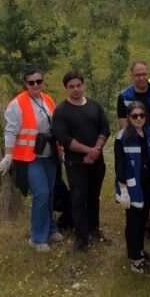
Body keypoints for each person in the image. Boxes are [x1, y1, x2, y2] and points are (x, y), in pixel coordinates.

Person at [0, 68, 60, 252]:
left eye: (39, 81)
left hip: (49, 154)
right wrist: (8, 155)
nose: (36, 85)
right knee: (41, 193)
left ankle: (50, 227)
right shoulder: (17, 104)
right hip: (28, 156)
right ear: (25, 84)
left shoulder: (48, 100)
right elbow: (11, 131)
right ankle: (37, 238)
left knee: (49, 193)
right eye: (31, 82)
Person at [51, 72, 110, 252]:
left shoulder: (94, 106)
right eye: (71, 86)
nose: (76, 89)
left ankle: (94, 230)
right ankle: (81, 238)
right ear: (66, 88)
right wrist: (88, 151)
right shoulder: (61, 111)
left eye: (78, 85)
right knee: (78, 200)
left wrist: (96, 151)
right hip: (76, 164)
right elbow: (63, 138)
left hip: (97, 162)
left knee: (94, 197)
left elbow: (105, 129)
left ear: (83, 85)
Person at [118, 60, 150, 229]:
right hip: (139, 147)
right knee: (142, 183)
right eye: (137, 75)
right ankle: (143, 220)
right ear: (132, 76)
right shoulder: (125, 97)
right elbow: (124, 125)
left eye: (144, 74)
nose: (141, 78)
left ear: (149, 74)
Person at [114, 102, 150, 274]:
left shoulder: (148, 132)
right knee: (133, 223)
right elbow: (120, 166)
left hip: (147, 185)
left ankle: (140, 250)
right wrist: (124, 191)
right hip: (132, 189)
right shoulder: (122, 138)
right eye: (134, 116)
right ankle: (135, 260)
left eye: (142, 115)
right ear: (128, 117)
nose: (139, 118)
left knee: (142, 220)